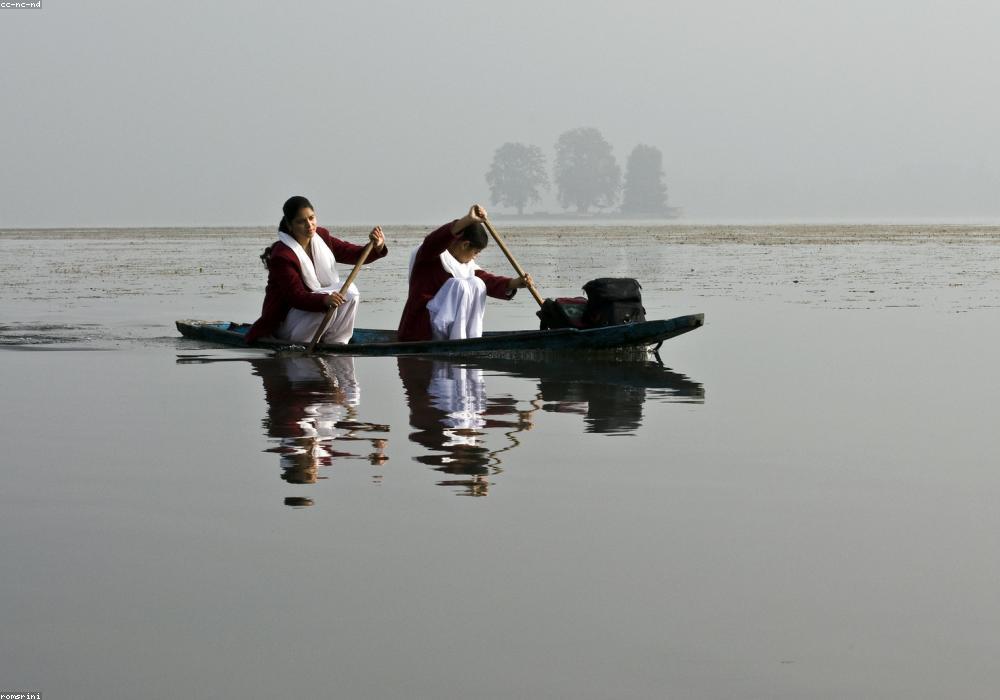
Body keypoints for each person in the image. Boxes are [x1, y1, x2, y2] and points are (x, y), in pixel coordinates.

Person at [247, 196, 387, 345]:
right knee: (328, 302)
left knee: (350, 291)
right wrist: (324, 300)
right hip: (285, 324)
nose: (309, 225)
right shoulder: (283, 255)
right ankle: (305, 342)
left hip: (311, 315)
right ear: (290, 225)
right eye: (301, 221)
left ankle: (337, 342)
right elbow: (295, 296)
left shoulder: (321, 237)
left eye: (311, 218)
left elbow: (353, 254)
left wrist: (377, 246)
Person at [397, 204, 531, 342]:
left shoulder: (466, 266)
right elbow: (433, 240)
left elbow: (486, 280)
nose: (475, 257)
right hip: (421, 329)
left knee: (477, 283)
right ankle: (457, 342)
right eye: (475, 252)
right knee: (459, 285)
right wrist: (468, 220)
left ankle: (472, 339)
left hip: (446, 330)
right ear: (465, 245)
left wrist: (515, 283)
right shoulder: (428, 254)